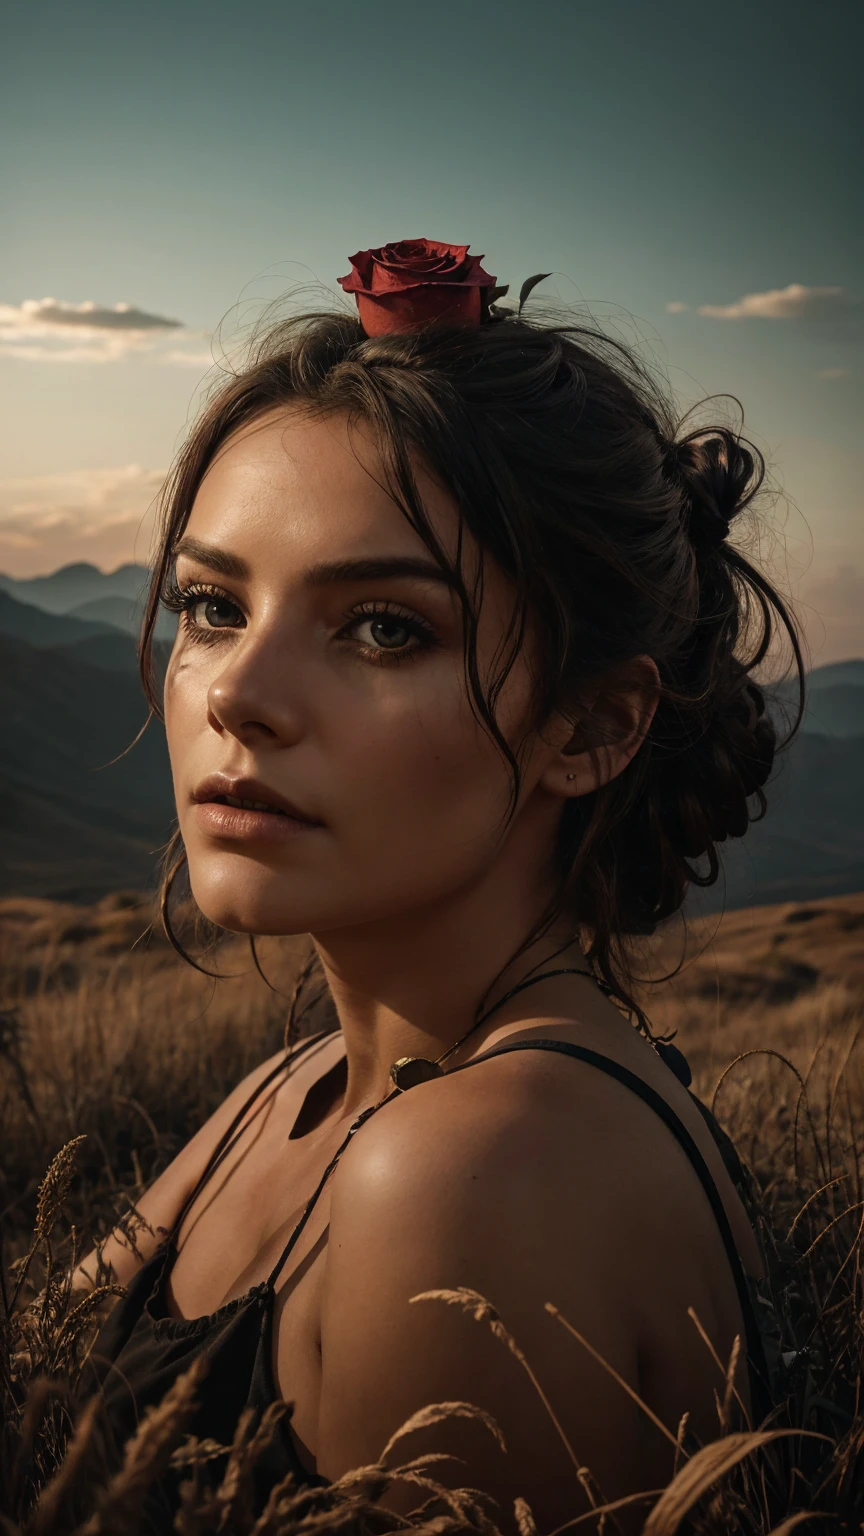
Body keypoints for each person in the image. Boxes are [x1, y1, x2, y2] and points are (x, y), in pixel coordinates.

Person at [77, 238, 800, 1532]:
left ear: (588, 727)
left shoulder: (471, 1178)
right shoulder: (294, 1092)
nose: (238, 694)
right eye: (210, 605)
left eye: (383, 628)